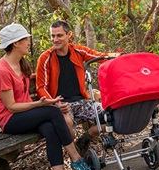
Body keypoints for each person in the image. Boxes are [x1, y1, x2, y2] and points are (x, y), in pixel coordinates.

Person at [0, 23, 94, 170]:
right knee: (53, 112)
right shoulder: (1, 71)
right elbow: (11, 107)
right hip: (10, 120)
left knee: (50, 128)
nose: (28, 43)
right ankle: (76, 158)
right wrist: (40, 104)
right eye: (25, 40)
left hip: (25, 116)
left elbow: (30, 84)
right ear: (16, 43)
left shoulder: (20, 64)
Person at [36, 20, 118, 156]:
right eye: (52, 36)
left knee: (112, 116)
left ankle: (85, 138)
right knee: (66, 125)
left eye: (59, 35)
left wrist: (118, 57)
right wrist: (55, 103)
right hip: (61, 104)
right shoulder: (45, 58)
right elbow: (41, 87)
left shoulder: (78, 51)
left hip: (82, 101)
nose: (55, 40)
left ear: (69, 35)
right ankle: (77, 155)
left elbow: (99, 56)